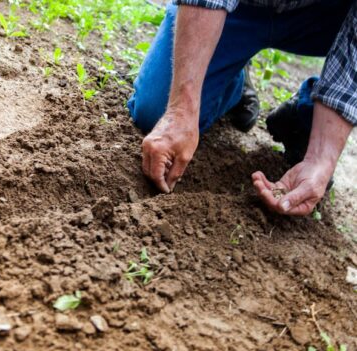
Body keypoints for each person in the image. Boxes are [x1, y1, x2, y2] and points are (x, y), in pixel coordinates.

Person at [127, 0, 356, 216]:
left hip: (326, 15)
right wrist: (181, 110)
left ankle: (309, 113)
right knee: (155, 111)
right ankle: (232, 77)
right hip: (241, 8)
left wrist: (321, 159)